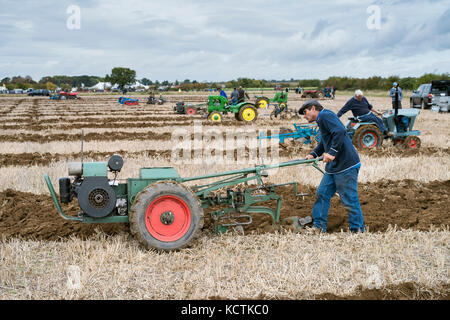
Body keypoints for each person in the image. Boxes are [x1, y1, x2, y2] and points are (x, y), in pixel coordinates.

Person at [298, 99, 365, 234]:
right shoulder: (321, 120)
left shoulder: (325, 115)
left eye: (305, 113)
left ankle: (357, 230)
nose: (305, 116)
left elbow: (340, 131)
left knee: (349, 199)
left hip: (346, 166)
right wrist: (314, 153)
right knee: (322, 193)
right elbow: (325, 140)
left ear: (313, 108)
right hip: (334, 167)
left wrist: (332, 153)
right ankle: (319, 227)